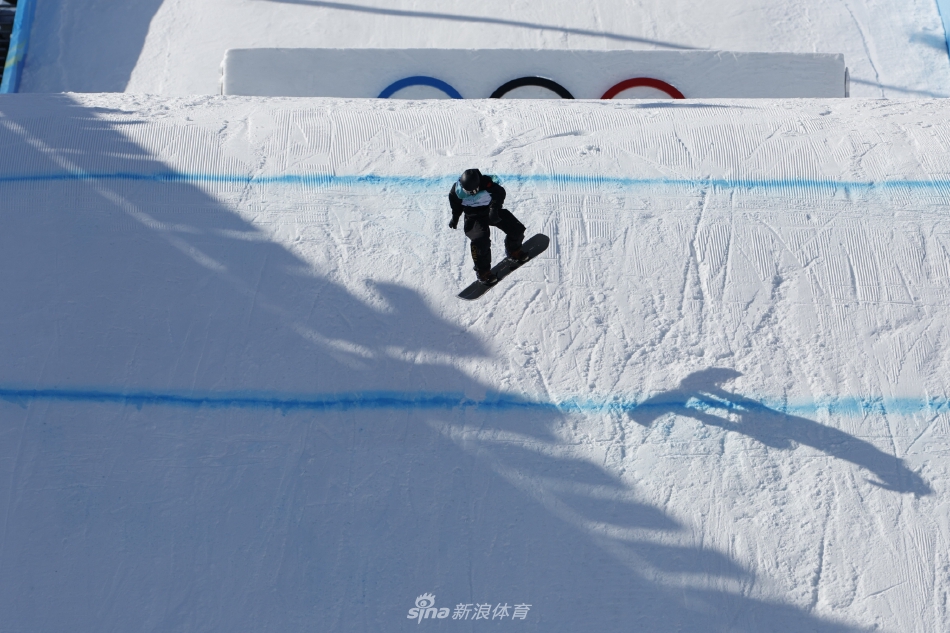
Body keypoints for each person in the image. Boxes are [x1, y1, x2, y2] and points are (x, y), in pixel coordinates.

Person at [448, 169, 527, 285]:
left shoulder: (487, 182)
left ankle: (513, 250)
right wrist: (455, 218)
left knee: (516, 229)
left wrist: (494, 209)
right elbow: (456, 205)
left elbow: (500, 193)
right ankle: (483, 272)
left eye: (474, 191)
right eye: (468, 191)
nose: (472, 194)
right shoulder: (456, 191)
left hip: (489, 211)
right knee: (480, 241)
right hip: (473, 217)